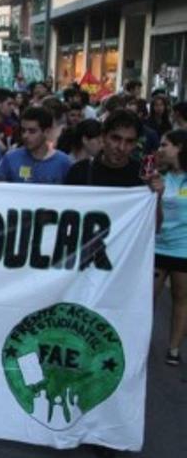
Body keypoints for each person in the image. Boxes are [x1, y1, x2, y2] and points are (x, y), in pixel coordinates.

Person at [153, 129, 187, 366]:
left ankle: (174, 348)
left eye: (165, 145)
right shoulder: (157, 175)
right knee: (147, 299)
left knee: (181, 299)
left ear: (179, 148)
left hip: (184, 249)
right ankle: (139, 342)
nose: (160, 149)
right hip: (156, 247)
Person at [65, 109, 145, 187]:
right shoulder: (80, 172)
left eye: (129, 141)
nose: (121, 147)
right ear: (103, 137)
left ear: (135, 143)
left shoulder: (143, 176)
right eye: (116, 138)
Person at [0, 107, 72, 184]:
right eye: (23, 130)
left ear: (47, 132)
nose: (25, 136)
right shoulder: (10, 159)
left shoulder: (63, 162)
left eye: (32, 131)